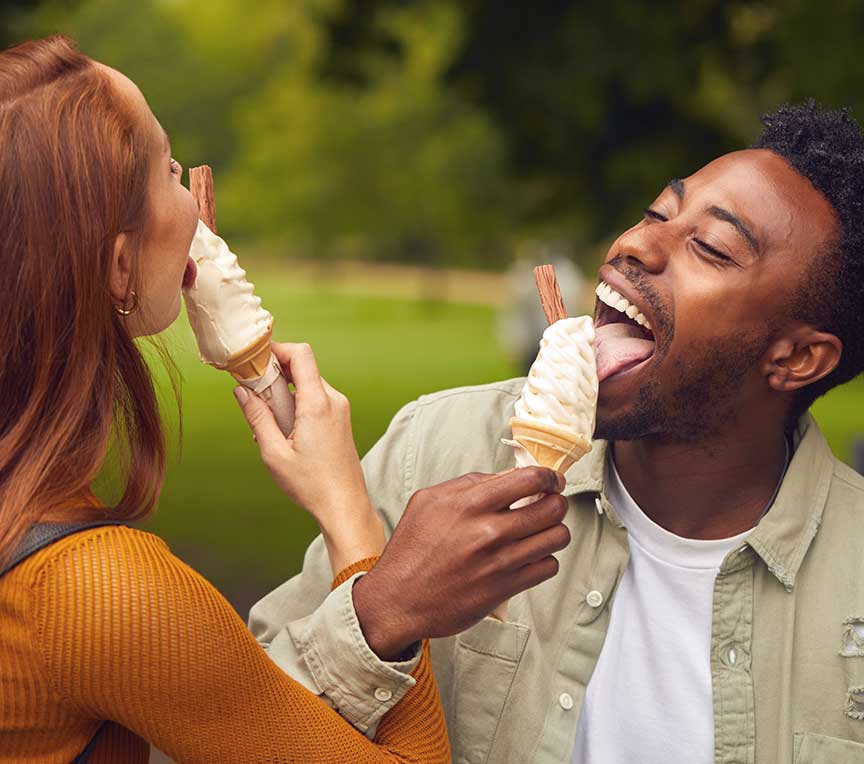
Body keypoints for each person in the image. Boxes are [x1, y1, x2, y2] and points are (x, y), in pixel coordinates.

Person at [0, 35, 573, 764]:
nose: (191, 192)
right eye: (169, 168)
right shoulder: (98, 593)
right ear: (119, 265)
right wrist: (350, 512)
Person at [251, 100, 864, 763]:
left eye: (711, 248)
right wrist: (382, 615)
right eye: (658, 213)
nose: (635, 243)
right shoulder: (441, 447)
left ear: (797, 359)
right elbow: (237, 731)